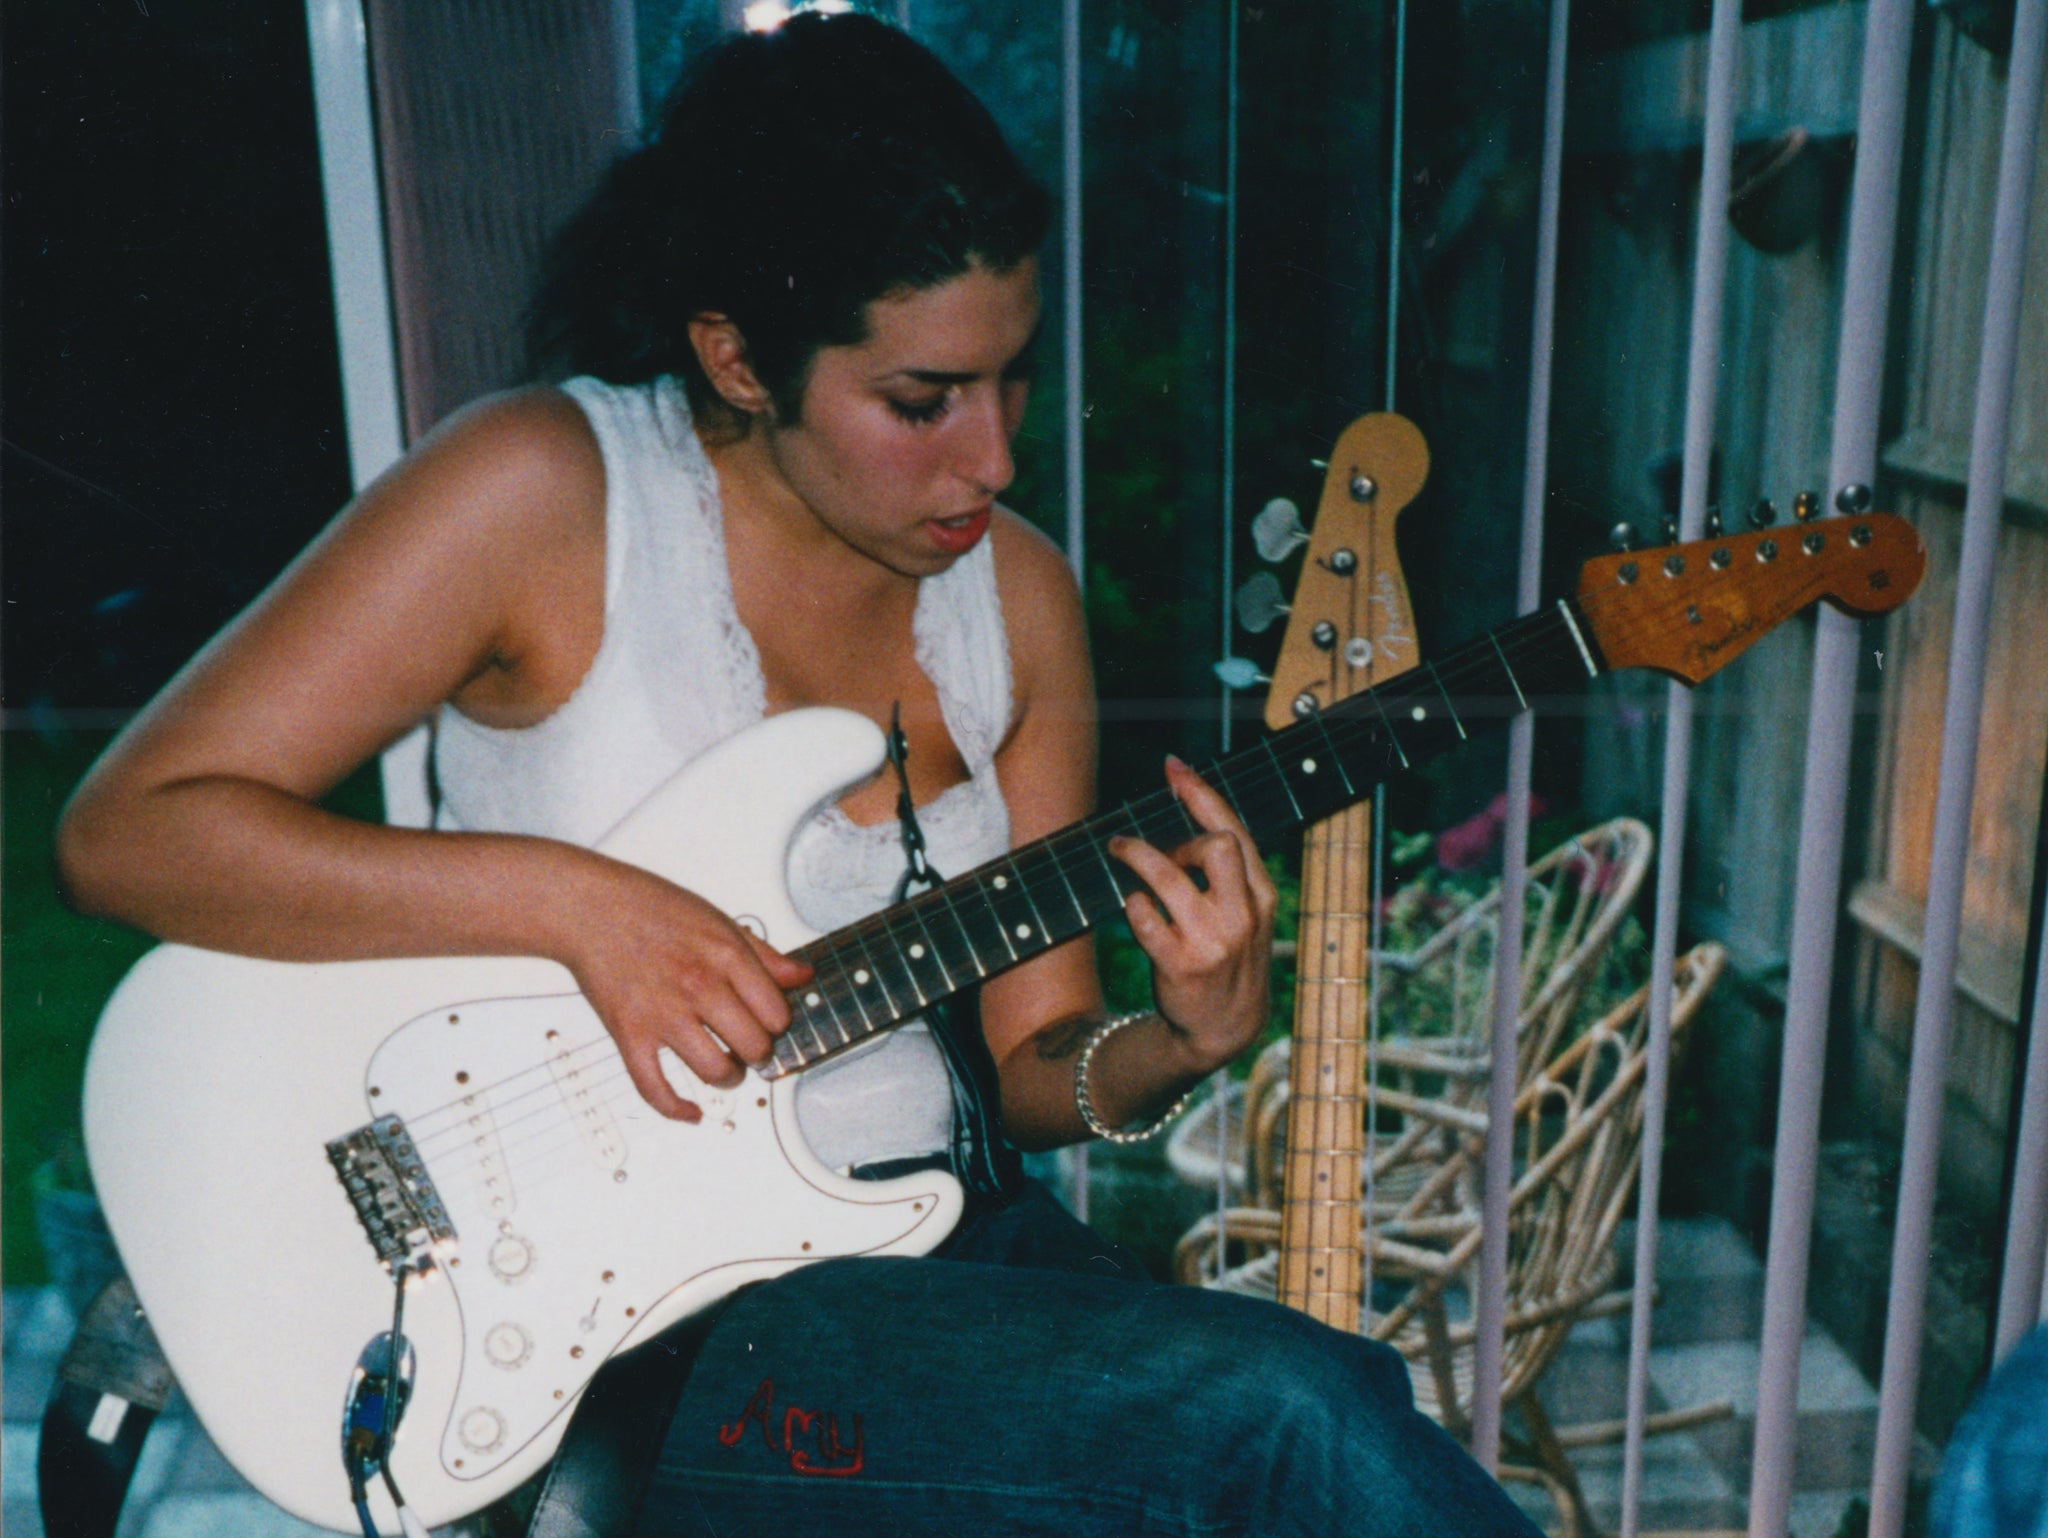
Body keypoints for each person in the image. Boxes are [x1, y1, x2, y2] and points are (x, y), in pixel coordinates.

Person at [57, 14, 1539, 1535]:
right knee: (1282, 1418)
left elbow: (1038, 1070)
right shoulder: (548, 494)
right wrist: (584, 907)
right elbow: (129, 831)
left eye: (1014, 378)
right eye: (922, 400)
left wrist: (1177, 1039)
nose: (995, 457)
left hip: (935, 1268)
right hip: (628, 1338)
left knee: (1295, 1412)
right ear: (737, 356)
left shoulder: (1016, 599)